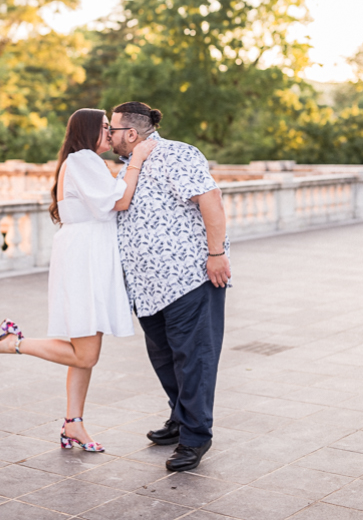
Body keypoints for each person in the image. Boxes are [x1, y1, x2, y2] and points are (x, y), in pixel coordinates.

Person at [0, 108, 156, 452]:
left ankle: (72, 423)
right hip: (85, 260)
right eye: (105, 127)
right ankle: (13, 342)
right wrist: (136, 159)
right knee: (87, 355)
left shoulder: (83, 162)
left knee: (83, 349)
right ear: (89, 130)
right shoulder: (82, 160)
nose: (111, 133)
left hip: (86, 256)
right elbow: (121, 201)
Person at [109, 100, 230, 472]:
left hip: (188, 279)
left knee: (193, 361)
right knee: (165, 360)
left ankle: (196, 437)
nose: (108, 136)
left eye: (111, 130)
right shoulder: (129, 165)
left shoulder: (176, 153)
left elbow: (211, 200)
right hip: (147, 288)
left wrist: (216, 254)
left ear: (130, 132)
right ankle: (180, 418)